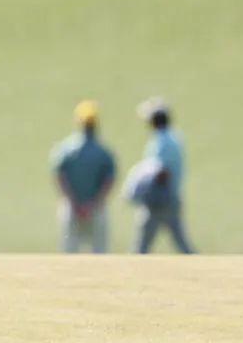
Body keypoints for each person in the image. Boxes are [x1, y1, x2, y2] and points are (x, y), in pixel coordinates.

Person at [50, 100, 116, 254]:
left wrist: (73, 202)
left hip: (71, 208)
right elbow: (109, 180)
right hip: (96, 209)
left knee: (69, 253)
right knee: (100, 253)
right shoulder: (103, 152)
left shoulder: (66, 149)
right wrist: (93, 204)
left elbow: (59, 176)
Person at [132, 97, 196, 254]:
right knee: (182, 244)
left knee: (141, 247)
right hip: (172, 197)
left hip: (159, 200)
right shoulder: (174, 137)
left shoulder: (161, 141)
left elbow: (161, 171)